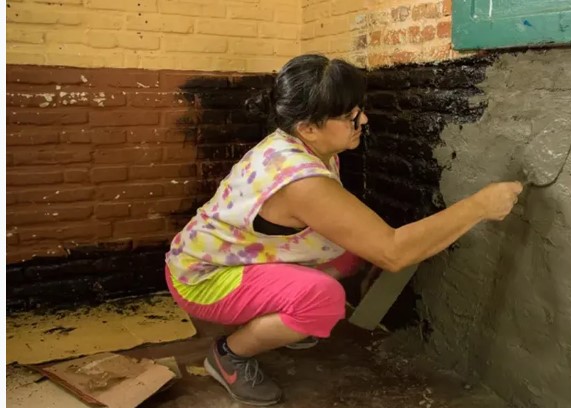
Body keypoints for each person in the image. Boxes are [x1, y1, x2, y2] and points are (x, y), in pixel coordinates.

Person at [164, 54, 523, 406]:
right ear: (308, 127)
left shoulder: (301, 142)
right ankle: (229, 354)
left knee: (351, 251)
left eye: (359, 109)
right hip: (204, 279)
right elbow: (394, 251)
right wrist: (479, 206)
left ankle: (279, 321)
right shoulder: (300, 181)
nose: (363, 119)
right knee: (324, 300)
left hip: (227, 254)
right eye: (351, 116)